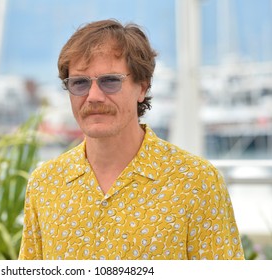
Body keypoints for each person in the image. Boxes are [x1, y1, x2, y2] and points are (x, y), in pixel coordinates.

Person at [18, 19, 244, 260]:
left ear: (142, 88)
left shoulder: (197, 183)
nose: (94, 96)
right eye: (80, 83)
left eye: (110, 81)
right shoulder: (45, 184)